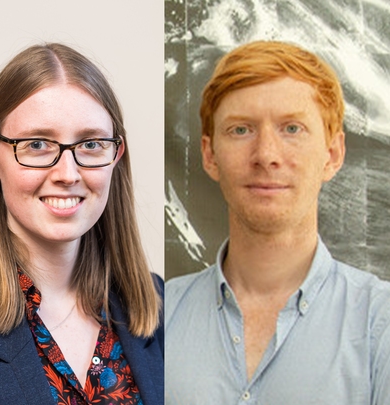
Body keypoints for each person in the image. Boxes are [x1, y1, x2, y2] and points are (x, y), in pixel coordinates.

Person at [165, 41, 390, 403]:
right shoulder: (154, 318)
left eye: (292, 128)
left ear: (332, 155)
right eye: (241, 130)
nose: (267, 154)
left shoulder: (380, 323)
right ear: (210, 156)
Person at [0, 43, 163, 405]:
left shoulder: (158, 305)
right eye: (38, 144)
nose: (67, 174)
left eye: (90, 144)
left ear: (115, 155)